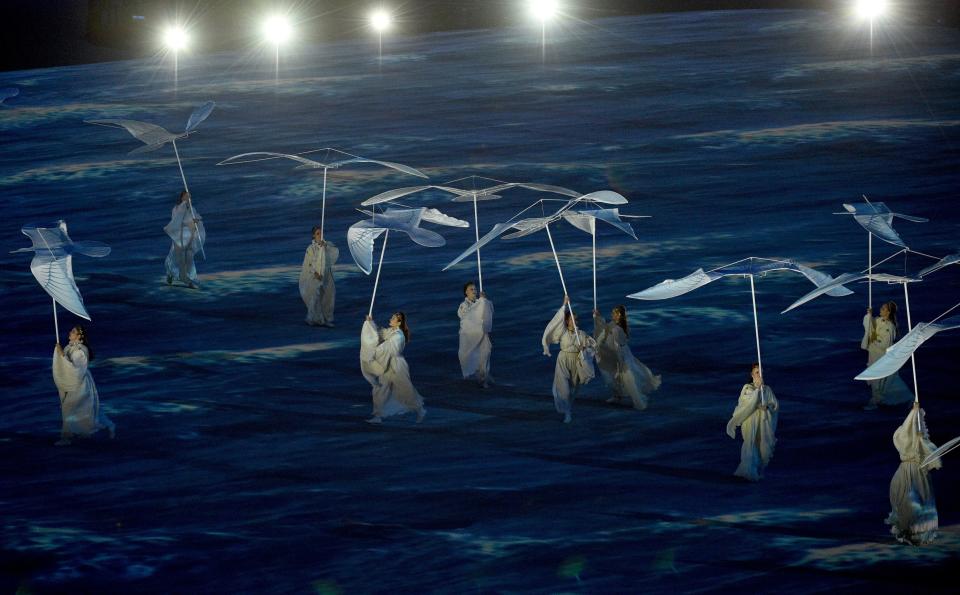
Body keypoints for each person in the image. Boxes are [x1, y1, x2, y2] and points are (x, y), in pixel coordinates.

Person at [887, 402, 940, 545]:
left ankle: (916, 532)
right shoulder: (901, 435)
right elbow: (905, 436)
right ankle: (909, 531)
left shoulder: (918, 436)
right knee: (908, 500)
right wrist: (914, 412)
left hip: (916, 471)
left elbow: (925, 451)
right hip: (908, 471)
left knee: (919, 500)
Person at [52, 325, 115, 446]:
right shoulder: (69, 348)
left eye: (73, 331)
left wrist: (62, 355)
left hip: (80, 385)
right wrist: (60, 353)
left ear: (79, 336)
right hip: (75, 383)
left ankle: (66, 438)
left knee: (69, 408)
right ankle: (104, 427)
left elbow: (76, 370)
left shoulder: (81, 351)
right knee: (79, 409)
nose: (70, 332)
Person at [360, 311, 426, 424]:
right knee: (380, 389)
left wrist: (373, 351)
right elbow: (379, 335)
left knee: (405, 390)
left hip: (397, 366)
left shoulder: (398, 336)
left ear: (399, 323)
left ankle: (419, 409)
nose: (390, 319)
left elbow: (387, 350)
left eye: (393, 318)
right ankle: (377, 416)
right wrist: (370, 324)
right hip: (387, 364)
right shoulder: (391, 331)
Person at [593, 305, 661, 410]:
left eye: (615, 314)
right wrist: (598, 317)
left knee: (628, 377)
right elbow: (604, 328)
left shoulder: (618, 329)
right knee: (612, 374)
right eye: (613, 313)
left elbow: (617, 346)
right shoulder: (612, 324)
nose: (612, 315)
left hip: (621, 354)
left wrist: (620, 362)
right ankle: (617, 395)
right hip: (613, 353)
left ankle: (639, 401)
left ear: (620, 315)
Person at [542, 296, 596, 423]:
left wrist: (584, 349)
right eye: (572, 320)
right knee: (565, 390)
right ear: (567, 321)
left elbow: (593, 346)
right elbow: (557, 321)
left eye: (576, 320)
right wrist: (564, 305)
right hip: (563, 361)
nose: (575, 322)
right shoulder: (563, 332)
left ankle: (567, 407)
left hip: (576, 362)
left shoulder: (581, 334)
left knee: (573, 390)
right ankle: (567, 413)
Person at [726, 363, 778, 482]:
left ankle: (757, 470)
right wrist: (758, 394)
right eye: (756, 372)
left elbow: (774, 405)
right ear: (752, 375)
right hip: (750, 421)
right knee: (750, 444)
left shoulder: (767, 390)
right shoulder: (747, 388)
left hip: (762, 422)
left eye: (760, 372)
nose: (759, 375)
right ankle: (747, 472)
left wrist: (768, 408)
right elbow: (749, 402)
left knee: (761, 445)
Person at [862, 301, 913, 410]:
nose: (880, 309)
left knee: (881, 381)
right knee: (883, 381)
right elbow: (870, 325)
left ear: (888, 312)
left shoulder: (889, 327)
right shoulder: (879, 320)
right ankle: (880, 401)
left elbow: (886, 345)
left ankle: (876, 403)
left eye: (883, 309)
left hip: (880, 357)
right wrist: (869, 316)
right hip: (874, 355)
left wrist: (872, 342)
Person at [299, 226, 339, 327]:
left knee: (328, 295)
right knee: (315, 296)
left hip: (326, 275)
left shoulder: (327, 245)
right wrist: (315, 273)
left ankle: (327, 318)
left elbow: (334, 254)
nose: (320, 235)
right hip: (315, 275)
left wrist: (325, 247)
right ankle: (315, 318)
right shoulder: (310, 248)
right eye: (318, 233)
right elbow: (308, 263)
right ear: (313, 235)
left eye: (321, 233)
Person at [164, 190, 204, 289]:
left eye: (190, 197)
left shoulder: (192, 209)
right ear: (182, 198)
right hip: (179, 238)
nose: (188, 199)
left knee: (189, 259)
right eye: (186, 197)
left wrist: (197, 221)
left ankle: (190, 280)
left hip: (190, 237)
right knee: (179, 258)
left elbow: (197, 218)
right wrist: (190, 221)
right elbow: (176, 221)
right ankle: (172, 274)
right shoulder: (176, 208)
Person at [458, 281, 493, 387]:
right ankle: (477, 381)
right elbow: (467, 317)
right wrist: (481, 303)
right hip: (470, 337)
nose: (474, 291)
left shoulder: (479, 302)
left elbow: (488, 313)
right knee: (471, 358)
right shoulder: (463, 305)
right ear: (466, 292)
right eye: (471, 289)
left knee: (485, 356)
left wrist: (484, 302)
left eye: (475, 289)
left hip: (482, 335)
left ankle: (484, 380)